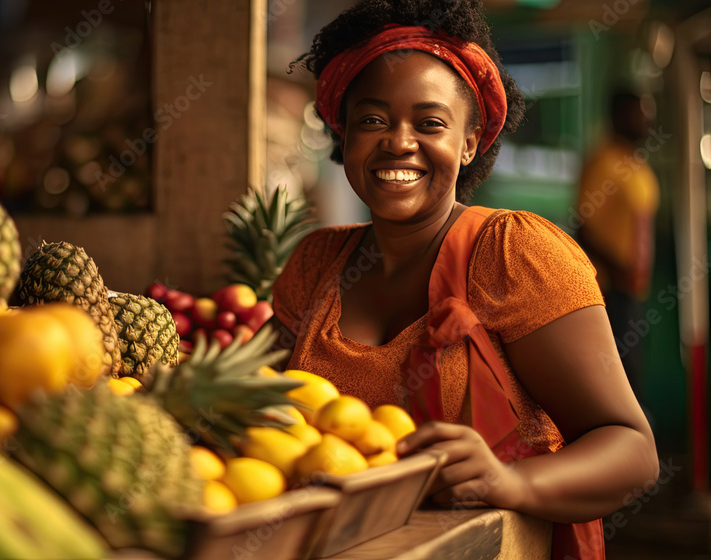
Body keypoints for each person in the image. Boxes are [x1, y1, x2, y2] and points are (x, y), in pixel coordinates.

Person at [271, 1, 659, 558]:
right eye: (373, 120)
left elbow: (632, 452)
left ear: (470, 142)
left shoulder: (512, 253)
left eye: (429, 123)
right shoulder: (313, 265)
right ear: (344, 134)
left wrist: (510, 484)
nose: (398, 142)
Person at [576, 91, 660, 395]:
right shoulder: (603, 163)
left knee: (633, 375)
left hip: (633, 291)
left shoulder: (636, 164)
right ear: (618, 115)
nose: (646, 121)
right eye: (638, 113)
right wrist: (619, 269)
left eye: (647, 113)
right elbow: (583, 229)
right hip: (609, 291)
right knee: (617, 381)